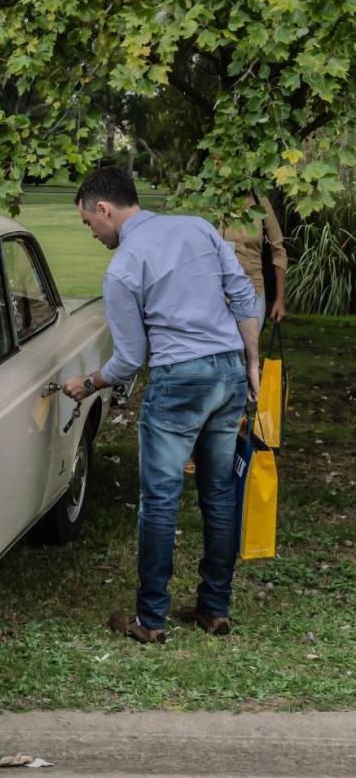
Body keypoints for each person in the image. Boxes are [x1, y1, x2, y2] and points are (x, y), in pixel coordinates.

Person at [62, 166, 260, 644]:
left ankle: (151, 618)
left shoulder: (123, 269)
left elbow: (129, 360)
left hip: (179, 383)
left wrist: (87, 383)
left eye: (89, 223)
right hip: (228, 372)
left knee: (160, 500)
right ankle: (215, 609)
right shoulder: (198, 227)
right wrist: (251, 361)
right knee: (219, 493)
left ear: (104, 209)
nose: (92, 233)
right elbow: (242, 294)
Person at [221, 193, 288, 325]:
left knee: (250, 338)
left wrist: (280, 301)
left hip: (253, 292)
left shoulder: (260, 201)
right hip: (217, 294)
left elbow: (279, 252)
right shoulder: (210, 198)